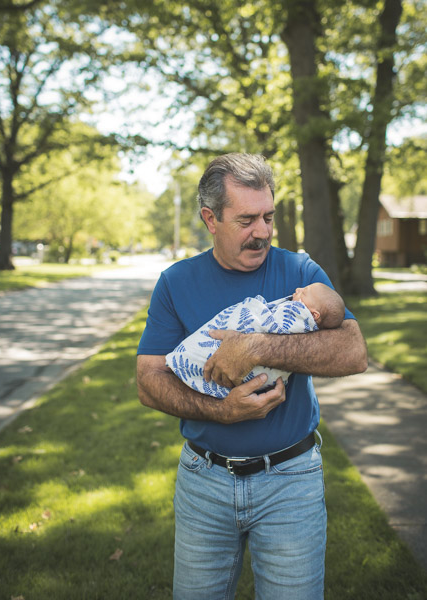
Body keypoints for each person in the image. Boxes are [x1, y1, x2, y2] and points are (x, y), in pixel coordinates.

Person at [137, 153, 367, 600]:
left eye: (268, 216)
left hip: (290, 481)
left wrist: (259, 345)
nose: (261, 231)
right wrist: (221, 411)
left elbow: (354, 352)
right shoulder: (175, 282)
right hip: (203, 482)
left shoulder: (301, 273)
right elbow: (148, 380)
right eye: (246, 220)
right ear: (210, 218)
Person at [166, 282, 346, 398]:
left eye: (304, 292)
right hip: (200, 457)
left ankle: (185, 359)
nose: (297, 289)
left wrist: (253, 333)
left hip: (295, 453)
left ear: (313, 314)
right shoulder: (173, 280)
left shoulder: (298, 313)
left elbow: (272, 324)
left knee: (204, 352)